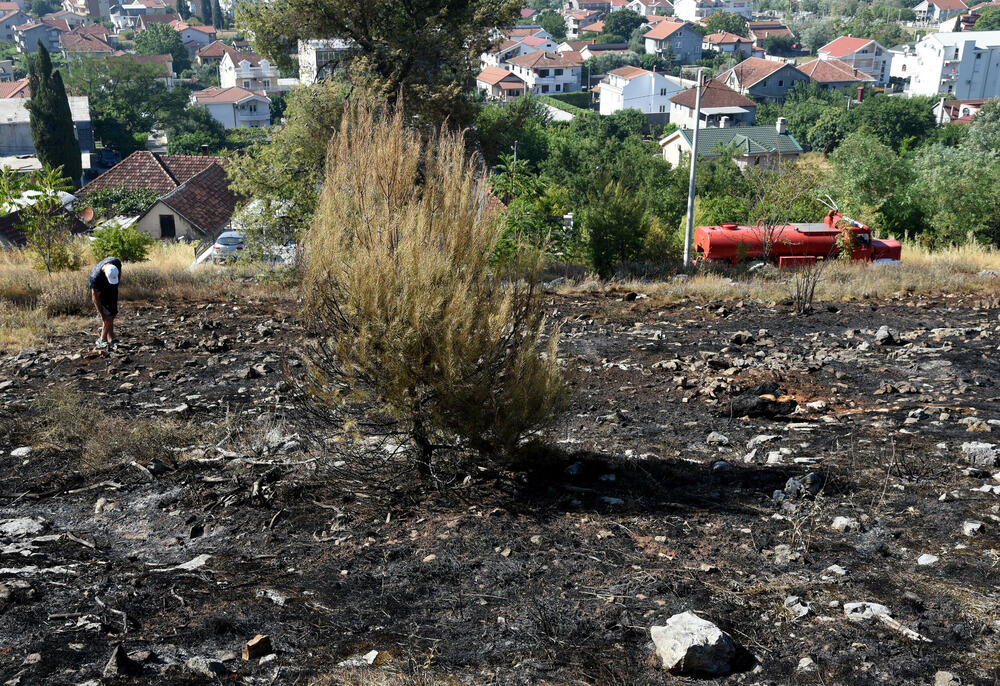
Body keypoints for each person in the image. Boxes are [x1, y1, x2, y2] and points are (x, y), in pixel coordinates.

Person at [89, 256, 122, 349]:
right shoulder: (95, 277)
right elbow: (95, 297)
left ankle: (110, 338)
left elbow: (119, 273)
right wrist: (101, 313)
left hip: (111, 287)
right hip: (101, 290)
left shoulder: (116, 262)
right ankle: (101, 340)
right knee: (107, 316)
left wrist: (115, 286)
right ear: (104, 273)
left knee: (113, 313)